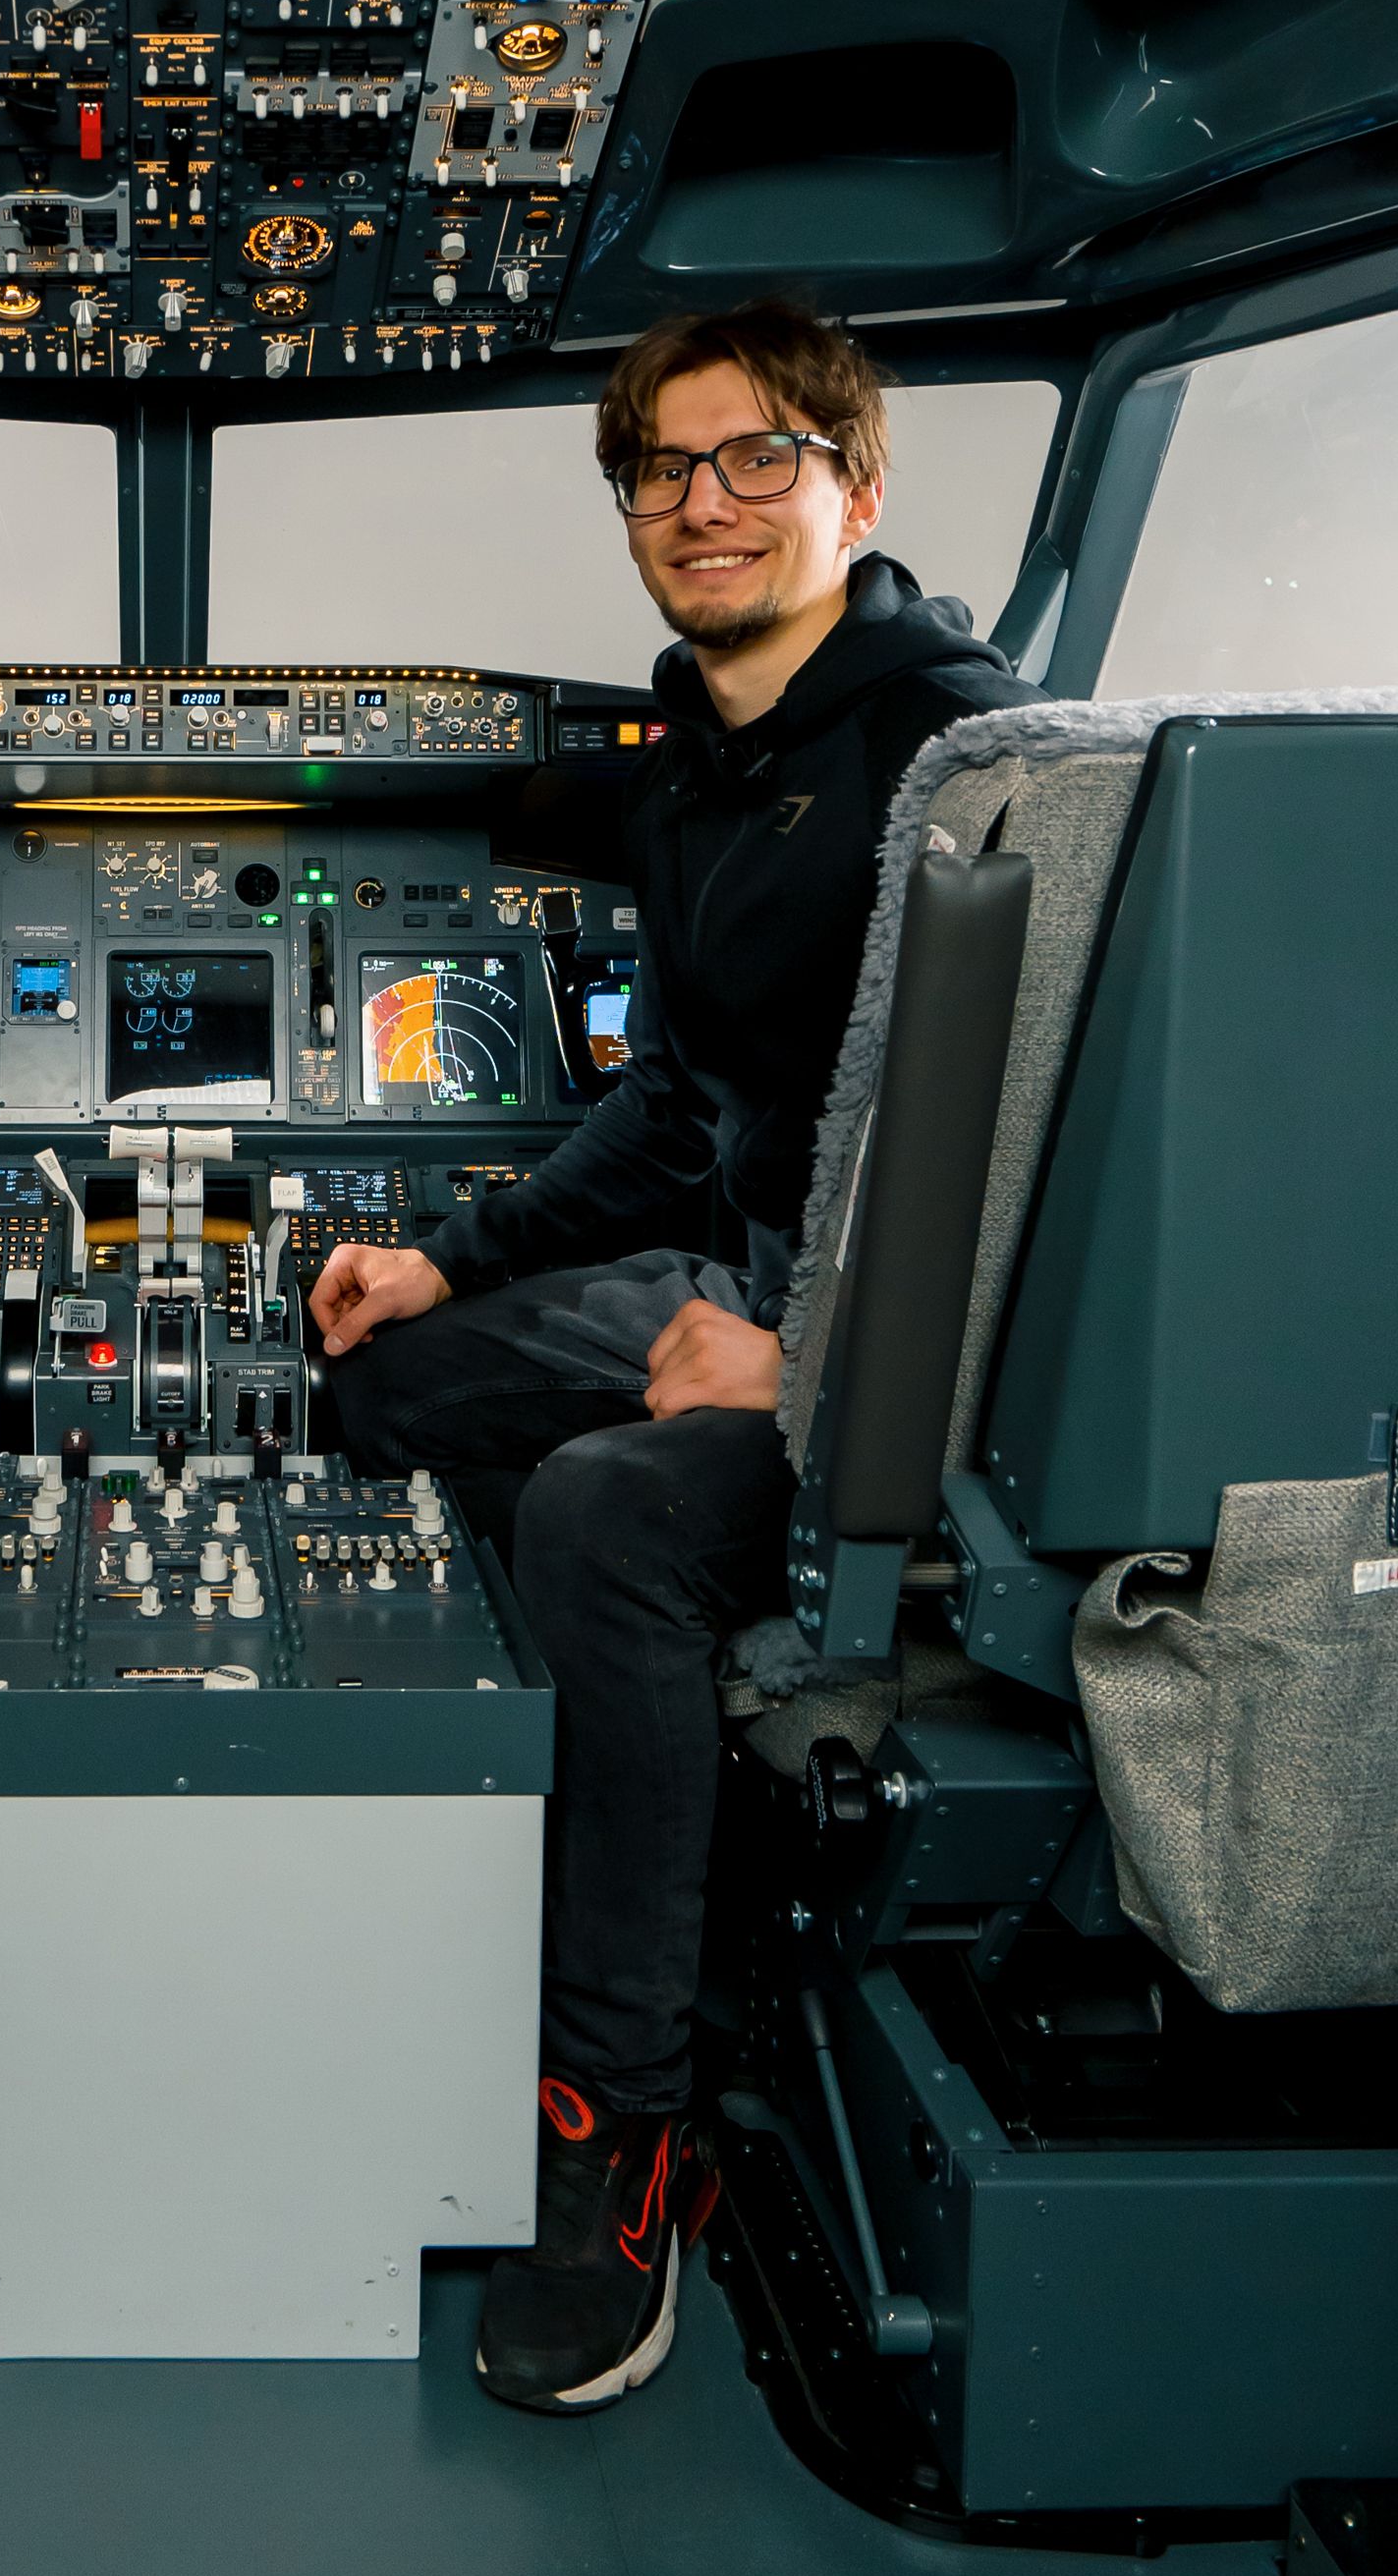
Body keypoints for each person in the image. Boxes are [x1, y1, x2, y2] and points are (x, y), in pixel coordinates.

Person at [309, 301, 1031, 2416]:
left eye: (755, 458)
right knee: (384, 1389)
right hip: (752, 1289)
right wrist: (450, 1262)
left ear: (855, 487)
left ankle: (616, 2114)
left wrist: (811, 1365)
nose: (699, 503)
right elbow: (679, 1103)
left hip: (924, 1364)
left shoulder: (962, 759)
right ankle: (542, 1862)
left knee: (606, 1513)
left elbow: (1037, 1144)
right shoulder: (699, 770)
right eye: (659, 467)